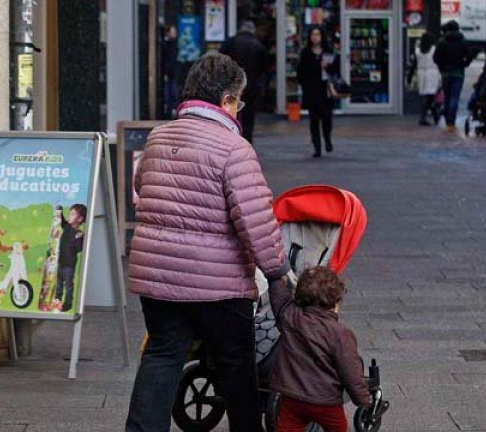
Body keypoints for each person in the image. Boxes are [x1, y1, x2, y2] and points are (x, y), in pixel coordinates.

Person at [125, 53, 288, 432]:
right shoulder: (234, 148)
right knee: (235, 362)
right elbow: (256, 219)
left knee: (162, 355)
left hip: (157, 277)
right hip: (217, 285)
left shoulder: (157, 137)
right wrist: (277, 271)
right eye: (239, 101)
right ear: (228, 99)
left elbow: (141, 189)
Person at [269, 267, 370, 432]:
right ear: (335, 302)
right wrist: (362, 399)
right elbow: (350, 370)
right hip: (326, 402)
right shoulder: (340, 333)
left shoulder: (290, 317)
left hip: (292, 398)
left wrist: (274, 275)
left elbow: (279, 298)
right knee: (337, 428)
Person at [220, 20, 268, 145]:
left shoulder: (230, 42)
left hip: (232, 85)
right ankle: (247, 140)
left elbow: (221, 62)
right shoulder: (258, 46)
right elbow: (263, 68)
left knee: (231, 113)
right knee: (249, 115)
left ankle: (231, 138)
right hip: (252, 86)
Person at [298, 26, 340, 157]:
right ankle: (317, 146)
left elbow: (336, 70)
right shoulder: (306, 53)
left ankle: (327, 139)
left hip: (325, 89)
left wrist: (328, 67)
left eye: (317, 34)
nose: (315, 37)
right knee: (314, 119)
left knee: (327, 117)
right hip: (311, 90)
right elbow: (301, 72)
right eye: (313, 35)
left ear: (322, 36)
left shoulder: (328, 52)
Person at [434, 21, 475, 132]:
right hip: (458, 72)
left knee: (447, 97)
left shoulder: (442, 41)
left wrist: (442, 68)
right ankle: (451, 121)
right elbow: (470, 55)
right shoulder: (463, 41)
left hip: (446, 73)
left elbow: (436, 58)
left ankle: (448, 120)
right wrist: (464, 64)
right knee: (454, 97)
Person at [52, 203, 85, 312]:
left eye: (73, 214)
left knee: (69, 284)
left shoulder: (79, 233)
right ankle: (57, 299)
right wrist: (59, 210)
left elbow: (79, 249)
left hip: (69, 264)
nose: (70, 216)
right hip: (61, 261)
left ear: (80, 219)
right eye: (70, 214)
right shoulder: (67, 227)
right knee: (59, 282)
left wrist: (79, 239)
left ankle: (68, 303)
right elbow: (62, 220)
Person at [410, 32, 442, 126]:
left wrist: (410, 76)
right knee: (430, 96)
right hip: (432, 73)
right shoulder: (434, 49)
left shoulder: (418, 50)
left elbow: (414, 64)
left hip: (421, 73)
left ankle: (434, 115)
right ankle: (424, 116)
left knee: (427, 96)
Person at [162, 25, 179, 119]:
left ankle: (171, 110)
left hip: (172, 73)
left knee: (172, 93)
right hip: (168, 73)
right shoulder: (165, 45)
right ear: (168, 33)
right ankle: (168, 112)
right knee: (169, 93)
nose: (175, 35)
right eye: (173, 32)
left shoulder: (173, 44)